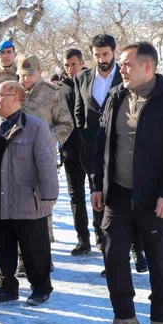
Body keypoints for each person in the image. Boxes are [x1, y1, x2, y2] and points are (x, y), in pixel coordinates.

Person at [92, 42, 163, 324]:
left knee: (159, 262)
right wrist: (98, 185)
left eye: (127, 64)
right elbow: (101, 144)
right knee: (113, 256)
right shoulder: (115, 97)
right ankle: (125, 319)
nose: (121, 69)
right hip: (118, 195)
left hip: (156, 199)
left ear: (147, 67)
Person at [0, 80, 59, 306]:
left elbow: (47, 163)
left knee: (35, 249)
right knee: (2, 248)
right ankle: (7, 288)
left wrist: (49, 196)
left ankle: (41, 288)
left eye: (0, 95)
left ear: (17, 99)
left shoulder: (36, 127)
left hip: (27, 201)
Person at [17, 55, 73, 264]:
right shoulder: (13, 91)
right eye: (22, 75)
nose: (25, 79)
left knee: (43, 205)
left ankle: (43, 256)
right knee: (19, 206)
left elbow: (66, 123)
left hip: (42, 158)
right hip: (17, 158)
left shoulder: (52, 93)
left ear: (40, 72)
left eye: (30, 75)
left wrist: (48, 139)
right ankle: (22, 257)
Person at [73, 34, 123, 251]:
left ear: (114, 52)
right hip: (92, 147)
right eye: (97, 55)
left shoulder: (125, 75)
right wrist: (84, 138)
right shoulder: (82, 78)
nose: (102, 59)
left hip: (120, 145)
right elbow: (78, 111)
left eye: (105, 54)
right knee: (96, 190)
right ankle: (101, 238)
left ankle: (128, 242)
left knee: (118, 192)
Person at [61, 49, 93, 255]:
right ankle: (83, 239)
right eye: (67, 65)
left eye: (74, 64)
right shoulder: (60, 89)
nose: (70, 69)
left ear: (82, 63)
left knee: (98, 193)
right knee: (76, 196)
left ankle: (102, 237)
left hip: (92, 149)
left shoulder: (93, 82)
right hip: (70, 150)